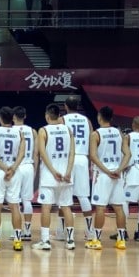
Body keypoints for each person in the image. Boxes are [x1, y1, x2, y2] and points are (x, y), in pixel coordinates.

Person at [33, 103, 75, 251]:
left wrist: (53, 171)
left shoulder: (43, 130)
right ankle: (70, 241)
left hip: (49, 177)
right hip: (66, 176)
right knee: (66, 207)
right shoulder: (68, 129)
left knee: (46, 207)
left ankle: (45, 241)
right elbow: (72, 153)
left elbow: (42, 154)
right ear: (59, 116)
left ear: (47, 115)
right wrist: (68, 172)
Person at [87, 106, 129, 250]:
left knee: (100, 208)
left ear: (99, 117)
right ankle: (121, 240)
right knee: (118, 208)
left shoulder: (96, 134)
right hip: (117, 175)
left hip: (103, 175)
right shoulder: (119, 133)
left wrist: (106, 170)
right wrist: (118, 169)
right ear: (111, 117)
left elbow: (93, 156)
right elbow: (128, 154)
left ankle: (97, 240)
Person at [0, 106, 25, 251]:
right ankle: (17, 241)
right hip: (15, 172)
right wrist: (12, 169)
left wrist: (4, 169)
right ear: (12, 118)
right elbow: (22, 153)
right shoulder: (20, 133)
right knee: (15, 206)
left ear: (0, 118)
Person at [62, 96, 94, 241]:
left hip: (68, 158)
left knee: (64, 196)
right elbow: (92, 140)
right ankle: (90, 231)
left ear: (65, 106)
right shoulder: (87, 121)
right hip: (82, 158)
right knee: (83, 196)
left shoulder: (62, 120)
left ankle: (62, 232)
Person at [13, 106, 38, 241]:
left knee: (15, 200)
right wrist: (34, 169)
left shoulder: (11, 130)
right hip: (28, 166)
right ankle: (27, 231)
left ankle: (16, 230)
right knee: (27, 200)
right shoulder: (33, 131)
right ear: (25, 116)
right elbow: (36, 153)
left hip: (16, 166)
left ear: (13, 117)